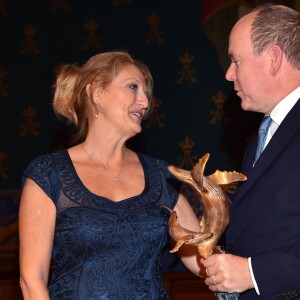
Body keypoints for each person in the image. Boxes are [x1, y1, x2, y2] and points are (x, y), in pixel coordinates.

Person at [18, 50, 204, 299]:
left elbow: (203, 259)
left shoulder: (160, 176)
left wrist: (253, 267)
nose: (145, 102)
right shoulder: (49, 174)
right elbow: (32, 281)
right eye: (132, 87)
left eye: (146, 93)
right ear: (97, 94)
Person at [201, 4, 300, 300]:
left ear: (272, 58)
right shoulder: (263, 135)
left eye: (236, 60)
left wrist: (252, 273)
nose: (229, 74)